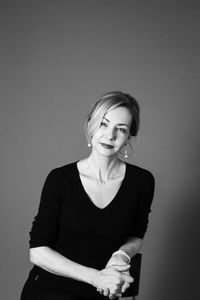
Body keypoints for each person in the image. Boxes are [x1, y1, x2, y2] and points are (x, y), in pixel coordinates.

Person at [20, 91, 155, 300]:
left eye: (121, 129)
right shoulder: (60, 179)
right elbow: (37, 251)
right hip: (50, 289)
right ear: (90, 125)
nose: (110, 136)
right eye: (104, 124)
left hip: (104, 291)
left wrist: (122, 254)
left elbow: (136, 235)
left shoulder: (142, 181)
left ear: (129, 136)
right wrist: (96, 277)